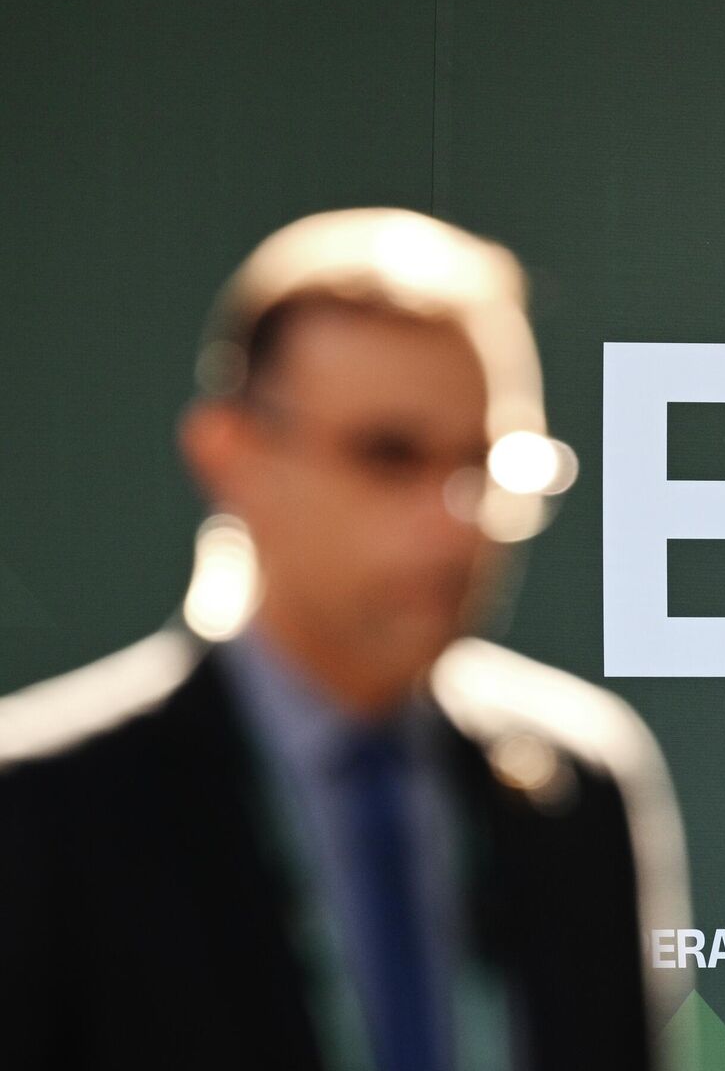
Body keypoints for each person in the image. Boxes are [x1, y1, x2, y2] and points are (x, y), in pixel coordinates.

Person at [0, 209, 690, 1070]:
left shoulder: (577, 784)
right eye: (389, 456)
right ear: (231, 456)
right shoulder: (42, 810)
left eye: (486, 462)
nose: (456, 520)